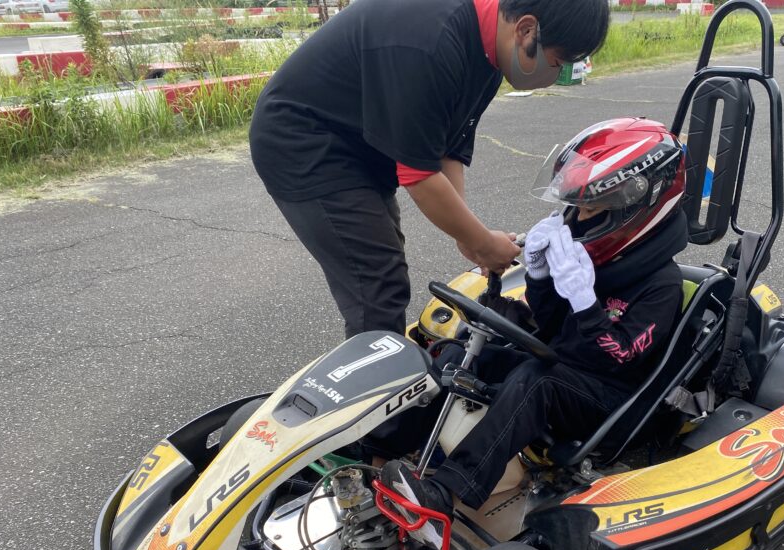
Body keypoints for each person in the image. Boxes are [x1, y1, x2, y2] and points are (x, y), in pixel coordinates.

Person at [379, 118, 689, 534]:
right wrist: (541, 278)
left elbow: (619, 357)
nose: (579, 218)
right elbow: (552, 326)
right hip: (565, 367)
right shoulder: (592, 260)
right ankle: (385, 449)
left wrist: (586, 304)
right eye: (578, 207)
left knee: (535, 380)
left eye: (592, 209)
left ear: (632, 206)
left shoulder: (662, 284)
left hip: (613, 397)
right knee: (457, 353)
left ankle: (446, 493)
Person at [249, 0, 611, 338]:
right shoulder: (432, 41)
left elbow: (447, 150)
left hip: (361, 144)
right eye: (558, 61)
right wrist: (482, 243)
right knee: (378, 283)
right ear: (527, 30)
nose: (557, 74)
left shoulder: (488, 52)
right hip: (304, 139)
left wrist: (469, 237)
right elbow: (419, 176)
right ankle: (376, 379)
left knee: (382, 263)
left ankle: (380, 360)